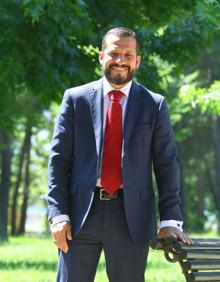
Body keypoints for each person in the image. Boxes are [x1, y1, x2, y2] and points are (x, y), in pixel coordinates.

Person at [47, 27, 192, 282]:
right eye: (114, 53)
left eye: (128, 54)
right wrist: (58, 214)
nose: (121, 60)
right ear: (102, 56)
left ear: (138, 60)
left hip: (131, 218)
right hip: (80, 216)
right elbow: (58, 162)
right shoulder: (75, 99)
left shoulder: (154, 104)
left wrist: (170, 219)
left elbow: (167, 166)